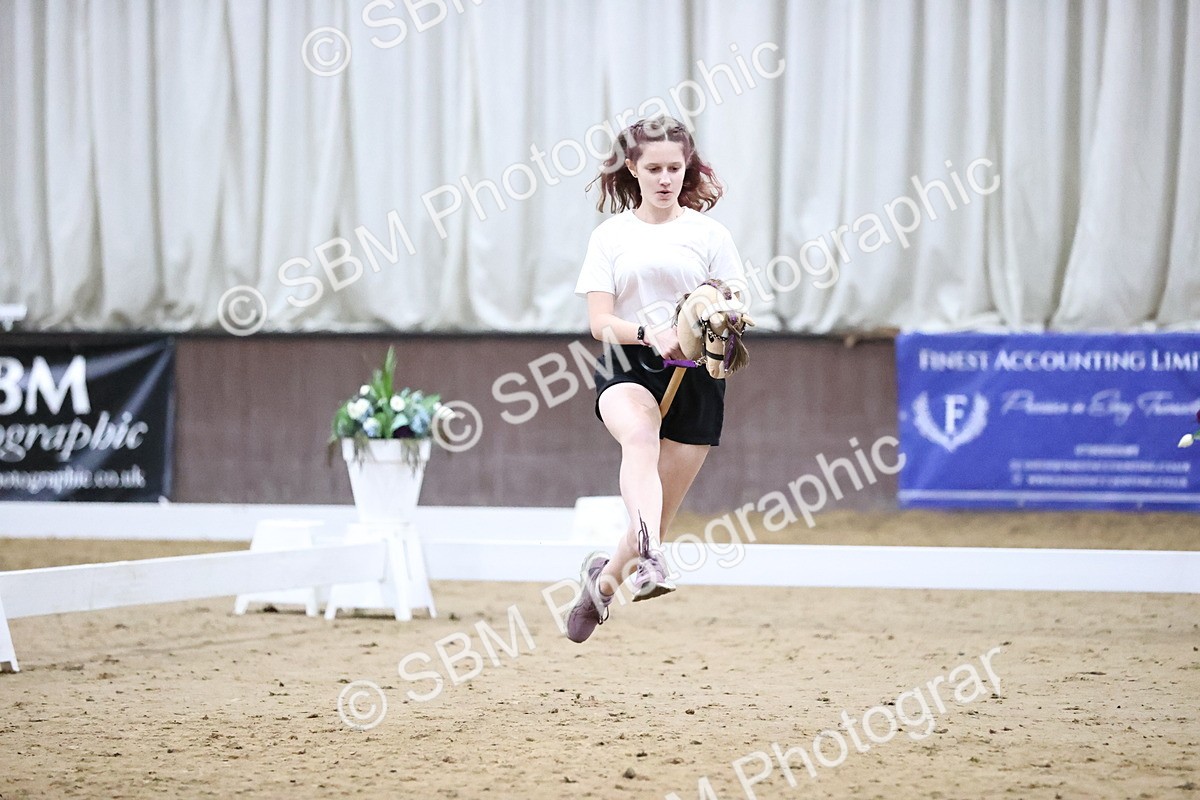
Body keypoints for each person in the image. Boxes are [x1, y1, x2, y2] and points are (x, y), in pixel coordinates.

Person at [566, 115, 747, 643]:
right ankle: (651, 563)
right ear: (633, 169)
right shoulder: (612, 236)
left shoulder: (710, 234)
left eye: (675, 167)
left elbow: (735, 302)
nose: (666, 178)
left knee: (655, 515)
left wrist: (720, 314)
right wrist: (651, 331)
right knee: (640, 438)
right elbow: (600, 322)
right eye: (654, 168)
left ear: (686, 167)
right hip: (630, 362)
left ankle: (601, 585)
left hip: (698, 376)